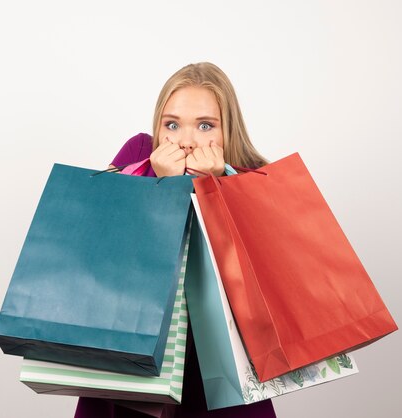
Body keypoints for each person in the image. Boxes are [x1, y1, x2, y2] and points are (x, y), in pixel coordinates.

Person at [74, 62, 276, 418]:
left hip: (219, 366)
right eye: (172, 125)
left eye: (205, 126)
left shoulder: (252, 180)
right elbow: (102, 256)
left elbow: (264, 290)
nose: (185, 140)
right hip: (134, 354)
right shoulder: (138, 155)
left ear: (228, 131)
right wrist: (163, 188)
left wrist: (214, 189)